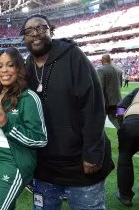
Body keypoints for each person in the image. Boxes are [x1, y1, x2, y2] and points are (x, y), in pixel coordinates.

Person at [21, 14, 114, 210]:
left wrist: (92, 153)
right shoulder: (26, 67)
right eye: (29, 31)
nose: (35, 34)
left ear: (51, 30)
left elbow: (94, 106)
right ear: (24, 38)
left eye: (41, 28)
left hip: (80, 165)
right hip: (44, 168)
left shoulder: (73, 56)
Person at [0, 47, 47, 209]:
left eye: (10, 65)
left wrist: (7, 125)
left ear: (18, 68)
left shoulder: (29, 98)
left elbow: (40, 139)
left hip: (13, 161)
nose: (4, 70)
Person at [116, 87, 139, 207]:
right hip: (131, 124)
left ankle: (125, 196)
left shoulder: (137, 90)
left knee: (124, 158)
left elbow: (120, 107)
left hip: (130, 125)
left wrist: (122, 125)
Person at [97, 54, 123, 129]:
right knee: (117, 120)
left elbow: (100, 87)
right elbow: (120, 85)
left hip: (106, 101)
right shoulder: (118, 69)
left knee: (99, 122)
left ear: (102, 61)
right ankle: (125, 135)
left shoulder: (101, 70)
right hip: (118, 100)